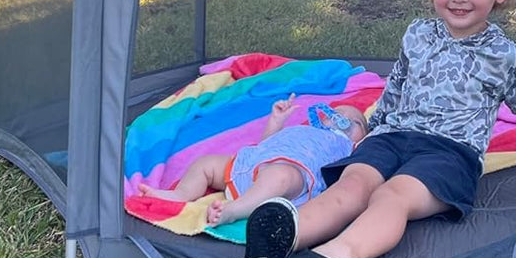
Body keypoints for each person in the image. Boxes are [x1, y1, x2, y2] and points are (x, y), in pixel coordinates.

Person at [241, 0, 516, 258]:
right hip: (392, 137)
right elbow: (397, 86)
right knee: (354, 184)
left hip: (450, 152)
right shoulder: (417, 34)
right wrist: (373, 129)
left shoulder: (504, 55)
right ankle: (287, 235)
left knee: (392, 196)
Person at [137, 96, 369, 226]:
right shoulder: (302, 130)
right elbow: (267, 144)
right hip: (251, 164)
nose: (344, 119)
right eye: (337, 115)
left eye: (355, 121)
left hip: (293, 178)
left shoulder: (349, 149)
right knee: (206, 163)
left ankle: (235, 210)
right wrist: (276, 121)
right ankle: (180, 195)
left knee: (280, 176)